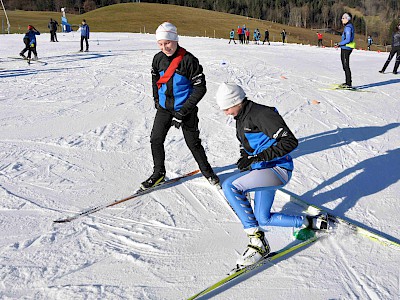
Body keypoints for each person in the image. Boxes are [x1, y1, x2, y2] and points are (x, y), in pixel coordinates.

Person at [215, 82, 327, 267]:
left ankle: (257, 242)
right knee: (262, 218)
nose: (226, 112)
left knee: (230, 186)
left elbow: (290, 142)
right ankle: (311, 223)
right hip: (262, 169)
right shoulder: (241, 116)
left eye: (227, 108)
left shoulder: (262, 114)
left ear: (236, 101)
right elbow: (248, 143)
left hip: (277, 169)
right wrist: (246, 157)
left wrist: (258, 157)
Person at [140, 22, 220, 190]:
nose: (164, 47)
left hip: (186, 110)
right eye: (160, 44)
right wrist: (156, 99)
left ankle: (208, 173)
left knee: (193, 143)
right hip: (164, 108)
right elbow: (155, 80)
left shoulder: (189, 60)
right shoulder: (158, 59)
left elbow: (200, 87)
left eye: (167, 42)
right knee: (156, 139)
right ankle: (159, 173)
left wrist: (182, 112)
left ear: (175, 39)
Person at [337, 13, 355, 88]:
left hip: (346, 48)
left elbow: (347, 39)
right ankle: (348, 82)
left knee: (345, 66)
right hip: (346, 48)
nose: (342, 19)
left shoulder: (348, 27)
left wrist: (339, 43)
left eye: (343, 18)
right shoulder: (349, 26)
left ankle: (348, 83)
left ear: (347, 19)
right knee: (345, 65)